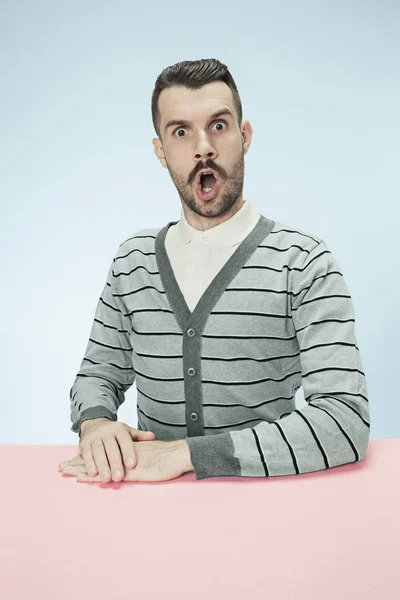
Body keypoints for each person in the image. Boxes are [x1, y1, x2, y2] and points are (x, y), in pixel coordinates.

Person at [60, 58, 370, 484]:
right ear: (160, 151)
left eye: (219, 126)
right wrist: (95, 424)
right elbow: (97, 375)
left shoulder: (304, 262)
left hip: (267, 510)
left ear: (244, 137)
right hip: (146, 515)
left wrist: (187, 455)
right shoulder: (132, 261)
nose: (202, 147)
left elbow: (344, 422)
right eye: (181, 132)